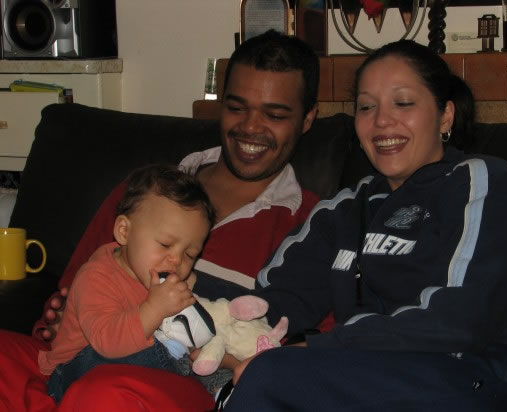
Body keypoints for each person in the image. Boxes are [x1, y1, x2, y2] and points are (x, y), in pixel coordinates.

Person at [0, 30, 321, 411]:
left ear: (307, 119)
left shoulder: (313, 224)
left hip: (186, 378)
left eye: (274, 115)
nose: (251, 126)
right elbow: (70, 294)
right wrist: (60, 317)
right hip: (83, 357)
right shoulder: (145, 192)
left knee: (104, 392)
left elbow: (317, 351)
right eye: (237, 108)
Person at [222, 40, 507, 411]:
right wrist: (206, 318)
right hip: (377, 377)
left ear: (445, 116)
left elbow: (461, 318)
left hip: (485, 374)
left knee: (274, 375)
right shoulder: (346, 209)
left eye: (403, 103)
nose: (381, 120)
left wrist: (318, 347)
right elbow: (280, 299)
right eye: (366, 107)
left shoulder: (482, 181)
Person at [41, 164, 214, 402]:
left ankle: (203, 385)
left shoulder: (166, 281)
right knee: (132, 356)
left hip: (130, 374)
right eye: (165, 244)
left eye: (190, 254)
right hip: (74, 372)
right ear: (124, 231)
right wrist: (155, 308)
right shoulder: (96, 276)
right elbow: (107, 343)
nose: (176, 260)